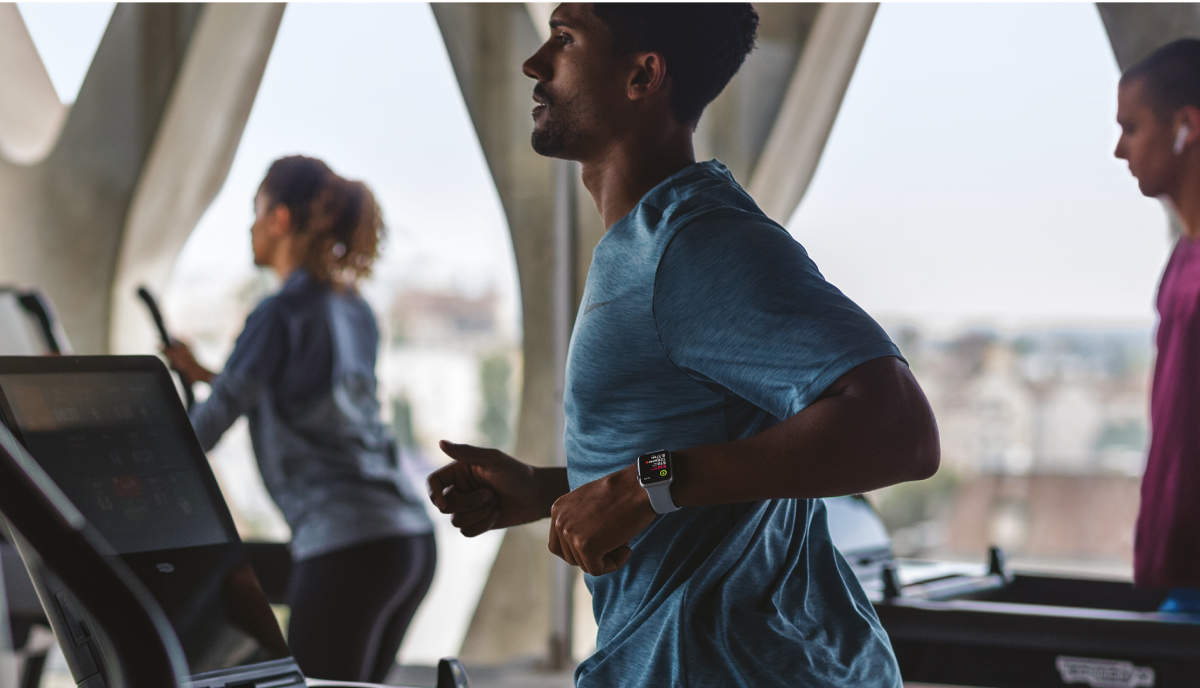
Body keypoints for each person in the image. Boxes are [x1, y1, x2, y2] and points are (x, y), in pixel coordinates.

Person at [428, 4, 940, 686]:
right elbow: (703, 463)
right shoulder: (645, 245)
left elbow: (901, 431)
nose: (533, 63)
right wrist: (549, 490)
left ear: (642, 77)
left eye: (565, 39)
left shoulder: (696, 245)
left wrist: (646, 483)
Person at [163, 155, 435, 681]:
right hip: (408, 542)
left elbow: (207, 428)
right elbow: (306, 394)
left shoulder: (277, 313)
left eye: (256, 212)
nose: (250, 228)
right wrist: (205, 374)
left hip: (348, 546)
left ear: (280, 219)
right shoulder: (352, 306)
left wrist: (138, 445)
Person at [1113, 39, 1200, 614]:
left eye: (1133, 127)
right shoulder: (1183, 257)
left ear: (1185, 126)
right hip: (1180, 573)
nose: (1120, 150)